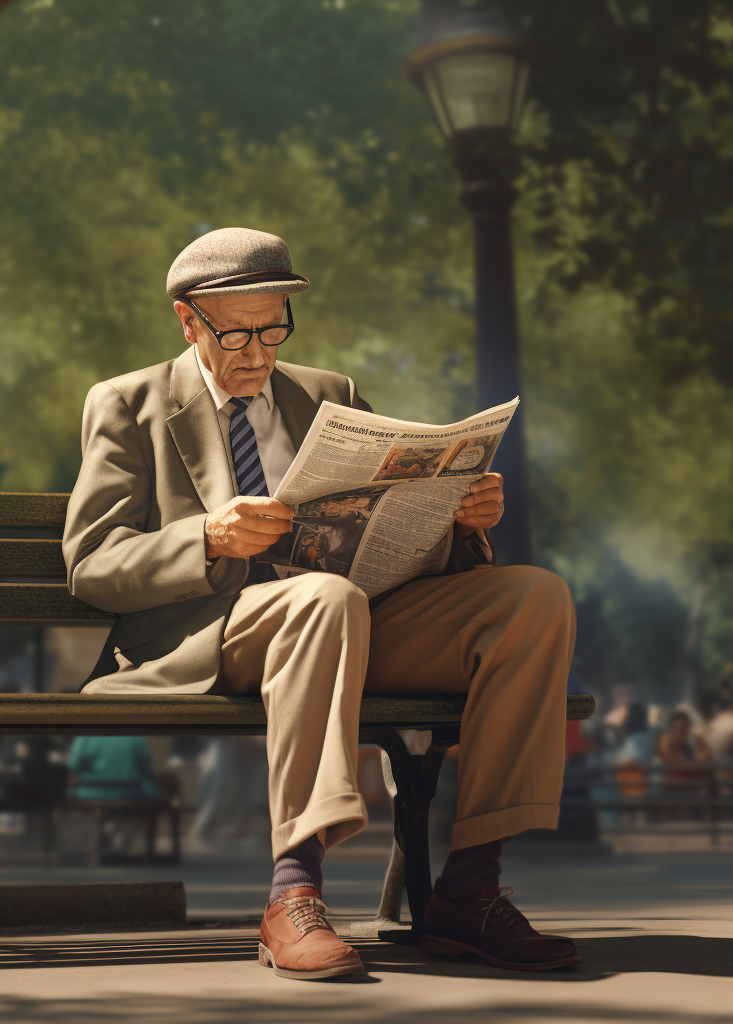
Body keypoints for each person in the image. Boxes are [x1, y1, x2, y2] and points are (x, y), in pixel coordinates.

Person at [63, 227, 580, 980]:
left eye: (274, 328)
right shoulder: (128, 403)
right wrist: (208, 537)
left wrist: (458, 522)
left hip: (346, 618)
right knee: (324, 599)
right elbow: (92, 566)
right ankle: (293, 891)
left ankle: (472, 887)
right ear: (187, 320)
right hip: (211, 633)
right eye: (235, 333)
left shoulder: (328, 395)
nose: (258, 351)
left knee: (532, 597)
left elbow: (391, 529)